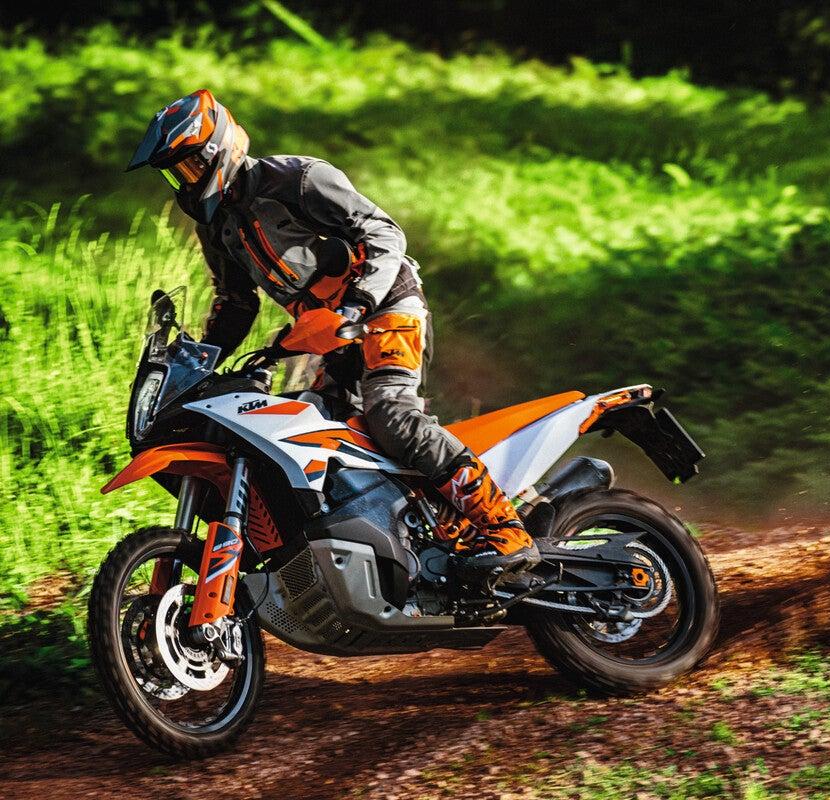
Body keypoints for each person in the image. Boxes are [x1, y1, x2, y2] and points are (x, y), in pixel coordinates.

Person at [127, 89, 538, 578]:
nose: (186, 180)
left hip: (384, 307)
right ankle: (410, 541)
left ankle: (503, 526)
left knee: (391, 415)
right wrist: (194, 361)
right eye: (176, 173)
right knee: (313, 431)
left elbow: (384, 234)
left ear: (220, 148)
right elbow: (236, 304)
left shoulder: (297, 180)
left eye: (191, 165)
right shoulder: (217, 228)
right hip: (331, 335)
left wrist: (355, 305)